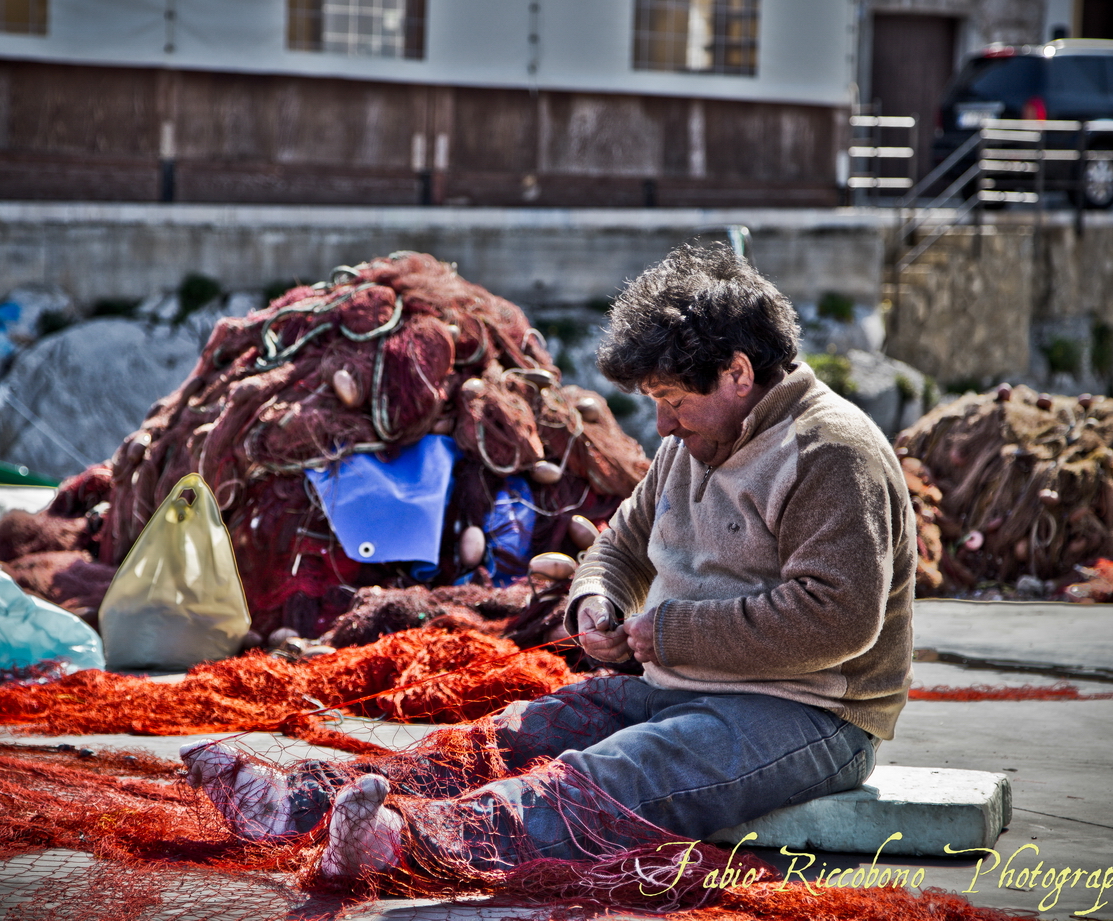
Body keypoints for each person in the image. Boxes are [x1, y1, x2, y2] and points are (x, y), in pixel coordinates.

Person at [183, 242, 916, 880]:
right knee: (516, 733)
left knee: (618, 774)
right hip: (683, 682)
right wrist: (596, 603)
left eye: (671, 399)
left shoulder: (831, 452)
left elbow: (838, 620)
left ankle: (410, 844)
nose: (660, 422)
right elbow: (620, 546)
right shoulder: (689, 445)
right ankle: (306, 801)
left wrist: (670, 634)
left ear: (736, 374)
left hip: (813, 715)